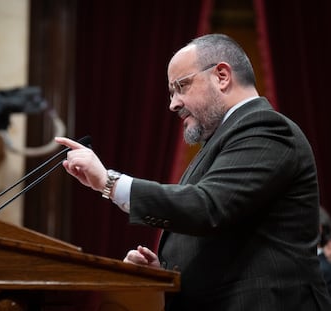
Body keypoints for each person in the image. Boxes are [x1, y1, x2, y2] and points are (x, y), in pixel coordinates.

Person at [55, 34, 331, 310]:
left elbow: (208, 206)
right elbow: (228, 242)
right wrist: (167, 276)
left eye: (181, 86)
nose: (173, 104)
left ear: (222, 76)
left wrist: (109, 182)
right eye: (171, 92)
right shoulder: (224, 139)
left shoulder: (265, 127)